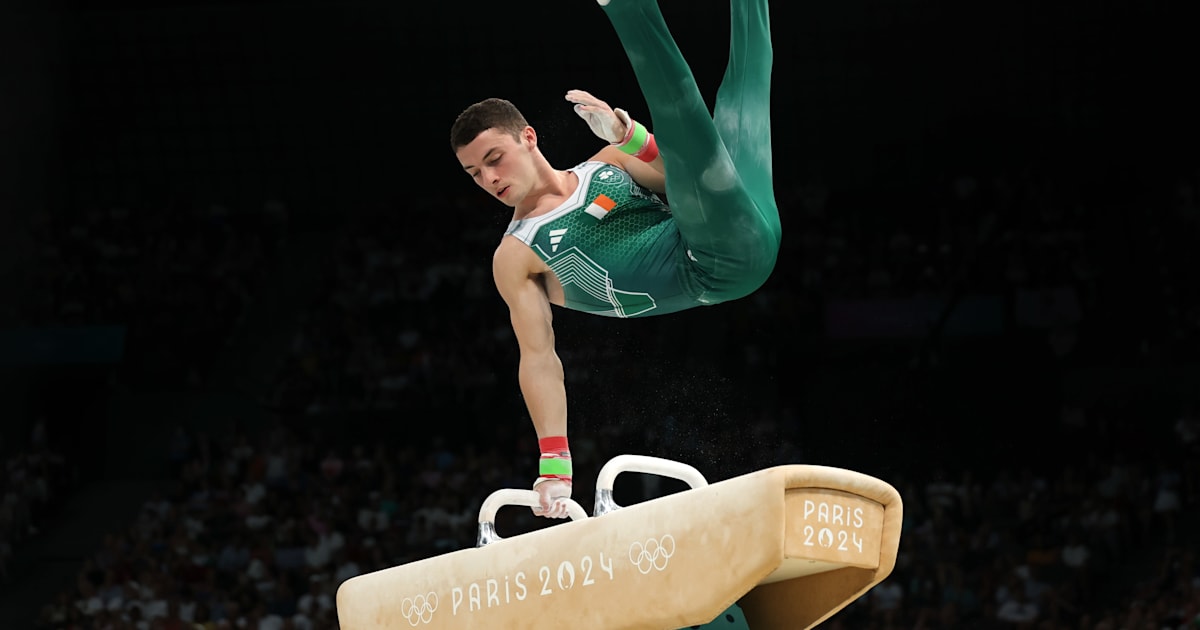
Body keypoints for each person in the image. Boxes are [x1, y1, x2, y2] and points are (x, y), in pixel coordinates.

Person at [450, 0, 781, 520]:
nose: (489, 179)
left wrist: (628, 141)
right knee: (687, 117)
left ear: (528, 137)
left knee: (744, 88)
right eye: (474, 174)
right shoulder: (516, 255)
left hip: (744, 223)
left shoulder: (607, 163)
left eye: (494, 159)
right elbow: (539, 358)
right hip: (709, 263)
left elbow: (686, 178)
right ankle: (626, 7)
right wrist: (554, 467)